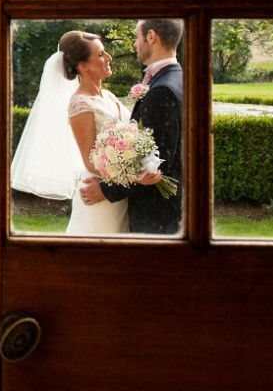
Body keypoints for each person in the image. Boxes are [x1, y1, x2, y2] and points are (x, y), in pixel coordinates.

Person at [11, 30, 131, 235]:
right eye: (101, 54)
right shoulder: (80, 104)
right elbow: (91, 162)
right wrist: (136, 174)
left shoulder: (109, 96)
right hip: (100, 198)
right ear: (83, 66)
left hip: (120, 196)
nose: (109, 58)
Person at [78, 19, 183, 234]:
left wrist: (106, 190)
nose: (135, 44)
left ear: (151, 36)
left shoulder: (161, 91)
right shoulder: (178, 78)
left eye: (137, 36)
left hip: (157, 216)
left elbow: (156, 164)